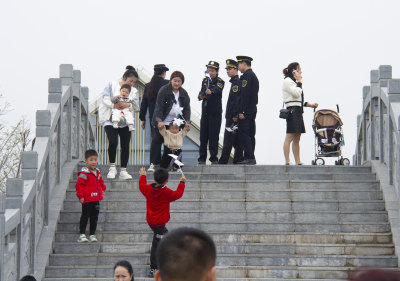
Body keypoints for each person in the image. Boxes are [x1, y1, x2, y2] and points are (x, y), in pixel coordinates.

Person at [138, 167, 186, 277]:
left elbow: (142, 187)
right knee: (159, 243)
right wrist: (182, 183)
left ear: (154, 179)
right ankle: (155, 268)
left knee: (162, 239)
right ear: (167, 180)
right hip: (159, 223)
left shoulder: (148, 189)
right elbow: (178, 194)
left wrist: (143, 175)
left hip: (152, 221)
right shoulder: (166, 192)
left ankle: (159, 266)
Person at [98, 65, 140, 180]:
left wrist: (128, 105)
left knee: (125, 145)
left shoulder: (134, 91)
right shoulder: (112, 85)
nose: (132, 84)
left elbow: (136, 104)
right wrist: (114, 105)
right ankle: (112, 168)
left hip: (125, 121)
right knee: (113, 141)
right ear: (124, 77)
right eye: (131, 81)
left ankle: (123, 170)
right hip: (110, 118)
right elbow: (105, 98)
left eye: (134, 82)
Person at [152, 70, 191, 171]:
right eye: (175, 80)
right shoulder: (164, 90)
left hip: (175, 123)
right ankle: (154, 163)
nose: (177, 83)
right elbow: (159, 107)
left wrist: (187, 122)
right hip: (163, 120)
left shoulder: (184, 93)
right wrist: (159, 120)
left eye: (179, 81)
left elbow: (187, 109)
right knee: (157, 140)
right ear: (171, 80)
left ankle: (174, 165)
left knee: (174, 145)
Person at [282, 62, 318, 165]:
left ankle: (298, 161)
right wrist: (299, 81)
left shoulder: (294, 82)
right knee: (289, 136)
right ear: (294, 71)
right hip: (292, 110)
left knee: (297, 137)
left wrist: (311, 105)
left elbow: (300, 100)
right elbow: (296, 93)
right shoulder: (288, 81)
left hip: (298, 110)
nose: (301, 72)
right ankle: (287, 161)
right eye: (299, 69)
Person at [140, 64, 169, 172]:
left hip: (153, 118)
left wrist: (142, 118)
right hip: (166, 118)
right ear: (163, 73)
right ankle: (165, 163)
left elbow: (144, 104)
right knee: (167, 140)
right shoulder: (167, 84)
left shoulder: (149, 85)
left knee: (155, 140)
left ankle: (154, 163)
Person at [75, 149, 107, 243]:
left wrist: (103, 189)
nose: (93, 162)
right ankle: (82, 234)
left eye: (95, 160)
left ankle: (92, 234)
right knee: (85, 216)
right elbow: (79, 185)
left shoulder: (97, 172)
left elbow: (101, 182)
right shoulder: (84, 173)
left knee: (94, 217)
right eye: (91, 160)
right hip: (87, 199)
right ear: (86, 161)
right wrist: (80, 196)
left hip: (96, 198)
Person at [198, 61, 224, 164]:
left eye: (213, 71)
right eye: (209, 70)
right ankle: (202, 158)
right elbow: (201, 92)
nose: (211, 73)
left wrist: (211, 91)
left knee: (214, 137)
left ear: (217, 71)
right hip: (205, 112)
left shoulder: (220, 81)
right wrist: (201, 96)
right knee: (203, 137)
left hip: (215, 113)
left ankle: (213, 158)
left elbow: (218, 90)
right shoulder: (205, 80)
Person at [219, 59, 243, 164]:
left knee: (228, 140)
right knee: (236, 140)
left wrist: (234, 114)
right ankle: (237, 160)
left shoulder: (237, 82)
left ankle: (223, 161)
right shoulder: (234, 82)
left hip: (232, 117)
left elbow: (236, 100)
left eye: (229, 69)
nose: (227, 71)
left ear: (236, 69)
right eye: (227, 69)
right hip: (232, 115)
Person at [235, 56, 259, 165]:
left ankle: (249, 157)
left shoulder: (247, 77)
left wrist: (242, 111)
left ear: (244, 64)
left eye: (239, 64)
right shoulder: (252, 76)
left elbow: (245, 95)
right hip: (251, 110)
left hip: (246, 111)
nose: (238, 66)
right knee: (250, 134)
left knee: (244, 134)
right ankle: (250, 157)